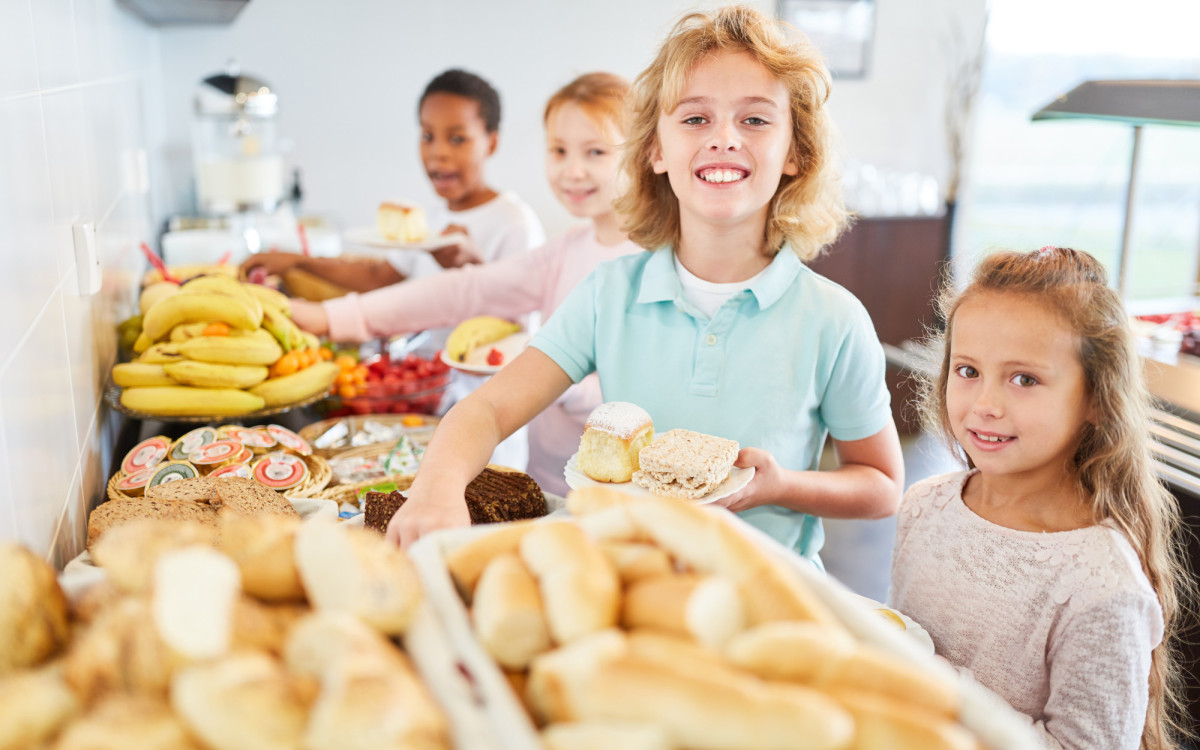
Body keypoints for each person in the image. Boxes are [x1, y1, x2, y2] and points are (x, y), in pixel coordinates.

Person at [387, 5, 905, 563]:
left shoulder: (834, 317)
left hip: (767, 597)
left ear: (796, 152)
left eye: (755, 119)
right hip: (626, 581)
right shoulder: (608, 293)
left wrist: (779, 486)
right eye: (694, 118)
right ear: (656, 149)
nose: (724, 138)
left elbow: (880, 485)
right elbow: (485, 411)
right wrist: (437, 488)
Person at [891, 247, 1189, 749]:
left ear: (1096, 397)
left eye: (1024, 379)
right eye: (968, 371)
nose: (985, 405)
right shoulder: (923, 506)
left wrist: (938, 685)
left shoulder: (1103, 588)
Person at [288, 72, 640, 495]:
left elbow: (643, 388)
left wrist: (556, 381)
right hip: (547, 479)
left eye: (595, 152)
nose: (572, 170)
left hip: (615, 490)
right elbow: (462, 290)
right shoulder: (566, 249)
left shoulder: (653, 259)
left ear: (644, 152)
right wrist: (329, 316)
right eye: (558, 150)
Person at [242, 68, 544, 291]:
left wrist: (473, 266)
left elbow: (520, 317)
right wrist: (297, 261)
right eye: (427, 136)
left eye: (457, 139)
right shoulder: (430, 220)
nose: (438, 153)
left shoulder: (514, 224)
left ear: (491, 143)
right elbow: (376, 277)